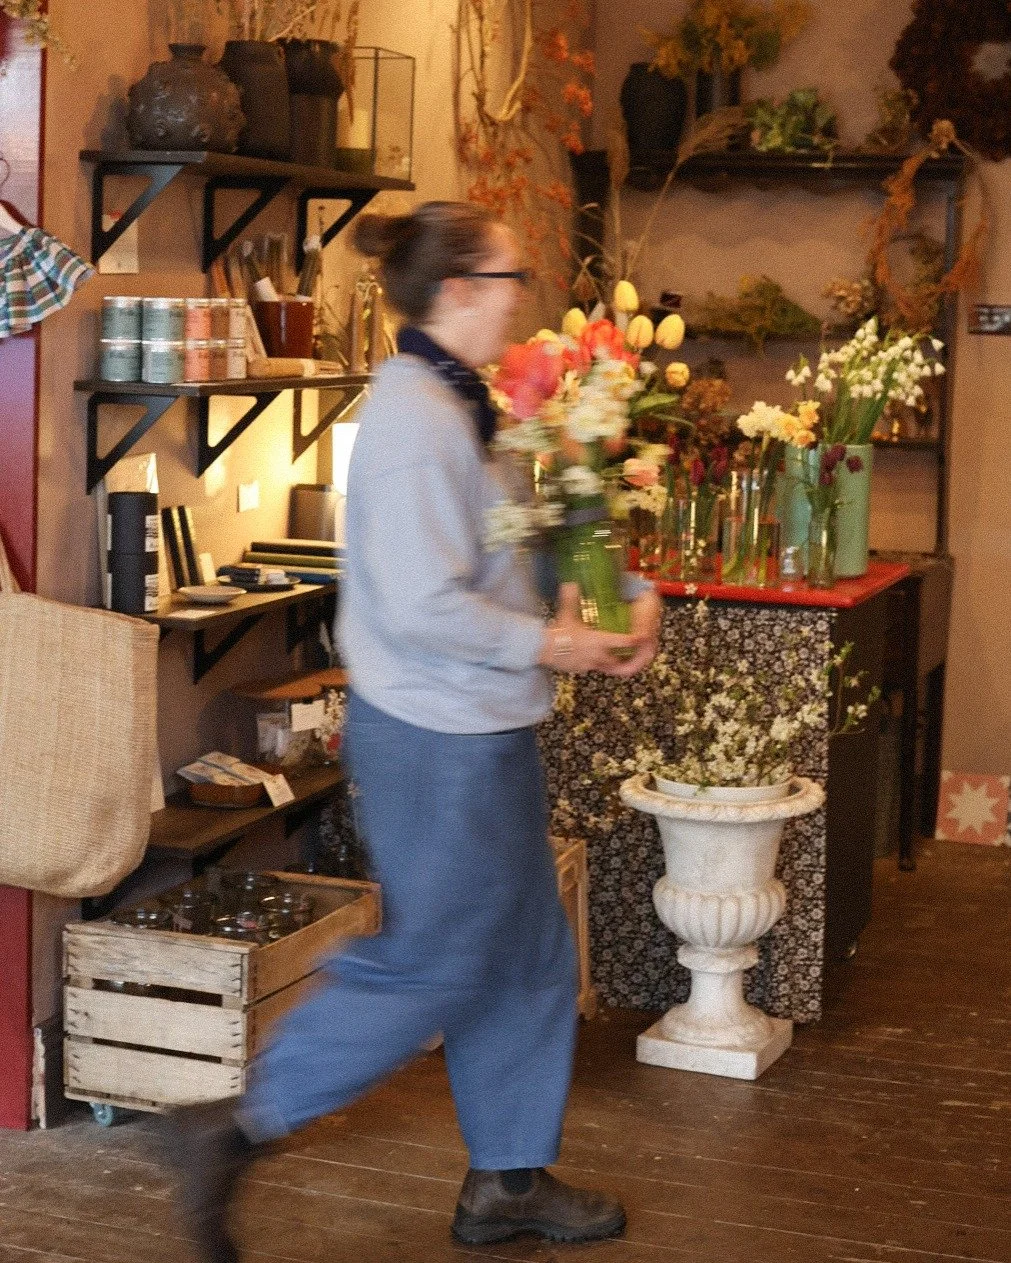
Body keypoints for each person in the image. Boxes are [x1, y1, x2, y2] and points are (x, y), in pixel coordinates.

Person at [166, 201, 662, 1262]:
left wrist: (621, 592)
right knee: (434, 962)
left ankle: (505, 1179)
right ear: (459, 293)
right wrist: (552, 647)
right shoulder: (409, 422)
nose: (524, 297)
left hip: (484, 729)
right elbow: (422, 605)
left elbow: (519, 545)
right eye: (511, 278)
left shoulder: (472, 406)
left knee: (528, 954)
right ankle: (236, 1125)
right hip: (436, 741)